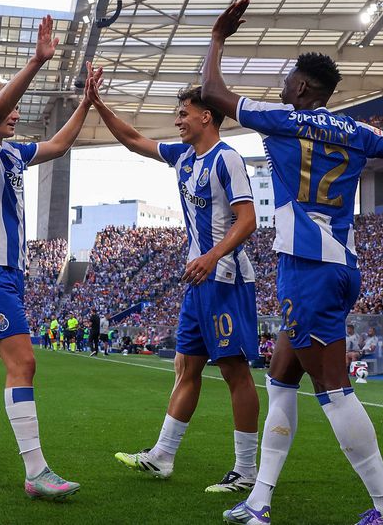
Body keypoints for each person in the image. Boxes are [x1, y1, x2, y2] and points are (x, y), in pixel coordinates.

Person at [204, 0, 383, 525]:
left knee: (335, 391)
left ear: (302, 89)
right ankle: (260, 499)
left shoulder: (286, 119)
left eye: (288, 80)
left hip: (308, 268)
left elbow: (213, 94)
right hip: (338, 262)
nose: (282, 86)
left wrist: (219, 37)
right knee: (280, 378)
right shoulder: (358, 131)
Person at [0, 15, 100, 500]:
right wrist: (35, 62)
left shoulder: (11, 154)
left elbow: (59, 144)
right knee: (24, 361)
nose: (16, 115)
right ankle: (36, 472)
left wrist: (86, 104)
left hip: (8, 273)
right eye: (7, 109)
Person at [96, 85, 261, 493]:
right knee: (185, 367)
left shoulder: (228, 160)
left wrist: (211, 256)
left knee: (234, 372)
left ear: (206, 116)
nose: (177, 120)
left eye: (183, 113)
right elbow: (135, 140)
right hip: (198, 284)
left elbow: (248, 220)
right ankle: (163, 456)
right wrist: (99, 105)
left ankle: (246, 472)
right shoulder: (184, 157)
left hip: (225, 279)